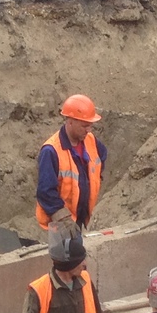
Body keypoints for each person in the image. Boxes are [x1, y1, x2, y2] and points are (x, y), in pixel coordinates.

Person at [35, 94, 108, 234]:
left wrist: (95, 179)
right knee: (64, 255)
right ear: (70, 121)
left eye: (90, 126)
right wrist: (62, 217)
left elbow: (102, 156)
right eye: (84, 126)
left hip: (79, 217)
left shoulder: (90, 140)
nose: (88, 130)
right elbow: (45, 191)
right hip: (57, 225)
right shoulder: (51, 151)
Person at [20, 228, 106, 313]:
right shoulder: (38, 290)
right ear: (69, 265)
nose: (84, 264)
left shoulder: (85, 280)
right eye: (81, 261)